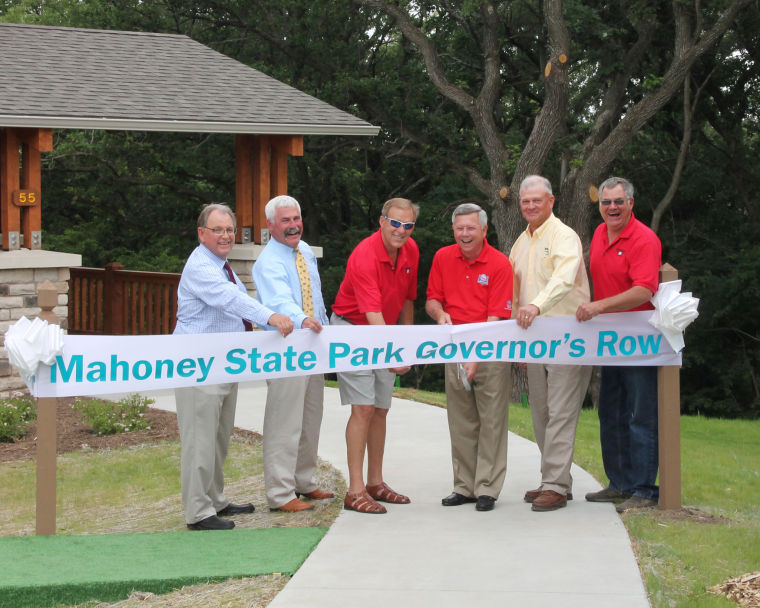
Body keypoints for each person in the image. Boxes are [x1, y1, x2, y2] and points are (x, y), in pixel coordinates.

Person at [174, 203, 293, 531]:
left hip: (223, 364)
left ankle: (215, 499)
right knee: (200, 439)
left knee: (218, 436)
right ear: (202, 234)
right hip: (198, 365)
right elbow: (229, 300)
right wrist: (269, 317)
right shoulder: (202, 266)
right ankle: (198, 513)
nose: (226, 236)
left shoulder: (221, 265)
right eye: (218, 230)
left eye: (230, 230)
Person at [576, 177, 662, 513]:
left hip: (639, 339)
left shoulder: (644, 239)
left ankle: (644, 490)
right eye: (606, 203)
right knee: (610, 412)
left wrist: (599, 306)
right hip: (609, 341)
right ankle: (619, 484)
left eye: (619, 202)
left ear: (631, 203)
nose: (612, 208)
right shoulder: (599, 234)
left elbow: (644, 289)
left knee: (640, 416)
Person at [331, 198, 419, 514]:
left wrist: (405, 343)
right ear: (381, 221)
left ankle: (375, 483)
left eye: (408, 225)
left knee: (381, 408)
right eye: (395, 223)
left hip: (386, 329)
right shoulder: (364, 255)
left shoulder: (411, 250)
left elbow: (408, 300)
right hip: (353, 329)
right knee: (363, 407)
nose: (401, 230)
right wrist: (392, 354)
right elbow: (371, 314)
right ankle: (354, 491)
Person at [509, 175, 592, 512]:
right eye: (525, 201)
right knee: (541, 412)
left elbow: (563, 278)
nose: (530, 206)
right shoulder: (520, 242)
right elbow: (515, 294)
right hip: (533, 340)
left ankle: (555, 485)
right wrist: (517, 344)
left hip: (568, 337)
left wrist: (536, 306)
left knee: (560, 411)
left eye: (537, 201)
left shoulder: (564, 237)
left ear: (551, 202)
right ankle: (554, 480)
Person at [426, 203, 513, 512]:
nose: (465, 234)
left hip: (491, 350)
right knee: (461, 420)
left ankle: (487, 488)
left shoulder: (500, 263)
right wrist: (439, 314)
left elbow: (497, 317)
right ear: (453, 230)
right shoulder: (442, 257)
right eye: (460, 228)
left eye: (471, 228)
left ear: (484, 230)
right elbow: (433, 299)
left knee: (491, 421)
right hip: (455, 348)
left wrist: (476, 358)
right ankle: (464, 486)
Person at [252, 195, 333, 513]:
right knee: (284, 421)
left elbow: (316, 294)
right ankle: (280, 493)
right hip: (285, 347)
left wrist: (322, 327)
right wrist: (302, 320)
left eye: (296, 218)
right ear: (270, 225)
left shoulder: (306, 251)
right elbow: (279, 302)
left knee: (311, 416)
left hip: (312, 344)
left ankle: (304, 481)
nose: (293, 225)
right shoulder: (267, 262)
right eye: (285, 221)